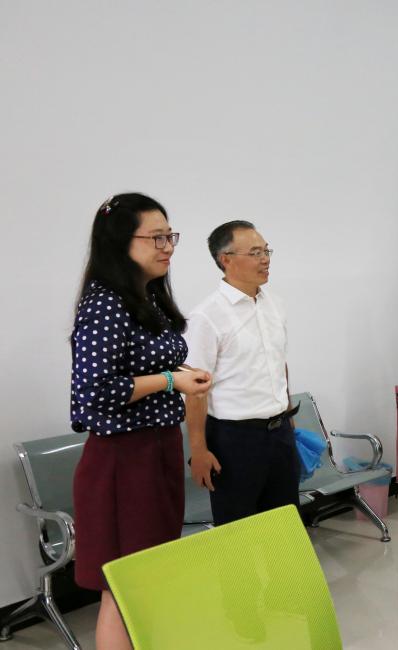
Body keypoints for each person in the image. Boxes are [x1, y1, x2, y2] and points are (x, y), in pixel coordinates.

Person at [70, 193, 211, 650]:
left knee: (149, 578)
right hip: (122, 462)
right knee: (124, 586)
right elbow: (94, 392)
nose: (168, 247)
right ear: (119, 243)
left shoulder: (145, 297)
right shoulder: (105, 303)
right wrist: (171, 380)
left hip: (157, 450)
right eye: (156, 238)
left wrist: (181, 374)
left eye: (170, 236)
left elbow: (141, 368)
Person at [184, 220, 298, 526]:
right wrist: (198, 450)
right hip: (235, 440)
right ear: (226, 260)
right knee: (239, 531)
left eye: (266, 251)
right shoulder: (206, 316)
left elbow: (279, 362)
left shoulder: (275, 304)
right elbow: (195, 389)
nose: (265, 259)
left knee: (284, 526)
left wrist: (288, 414)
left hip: (280, 434)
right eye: (255, 253)